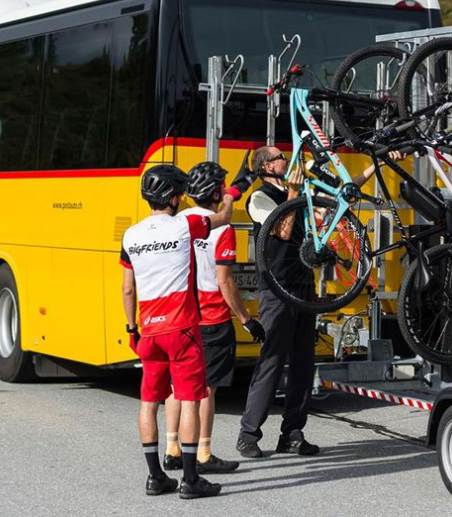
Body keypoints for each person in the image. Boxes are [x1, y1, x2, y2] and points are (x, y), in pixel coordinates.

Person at [236, 145, 395, 458]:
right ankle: (248, 434)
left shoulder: (302, 195)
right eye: (280, 156)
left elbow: (341, 195)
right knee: (271, 361)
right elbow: (282, 232)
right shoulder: (258, 198)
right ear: (267, 166)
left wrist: (378, 164)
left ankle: (292, 433)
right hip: (277, 290)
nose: (286, 159)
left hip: (304, 288)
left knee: (303, 366)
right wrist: (294, 191)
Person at [119, 163, 245, 499]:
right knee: (191, 397)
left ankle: (155, 477)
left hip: (149, 331)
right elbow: (223, 218)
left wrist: (132, 328)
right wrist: (231, 194)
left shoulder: (131, 235)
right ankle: (190, 479)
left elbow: (128, 289)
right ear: (175, 196)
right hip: (183, 330)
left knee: (149, 402)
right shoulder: (185, 224)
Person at [164, 162, 267, 475]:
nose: (225, 192)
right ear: (214, 192)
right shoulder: (223, 229)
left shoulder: (179, 221)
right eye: (221, 188)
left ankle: (172, 448)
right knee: (207, 389)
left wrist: (236, 189)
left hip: (181, 315)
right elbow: (225, 282)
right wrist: (247, 319)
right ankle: (204, 453)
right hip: (212, 318)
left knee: (176, 385)